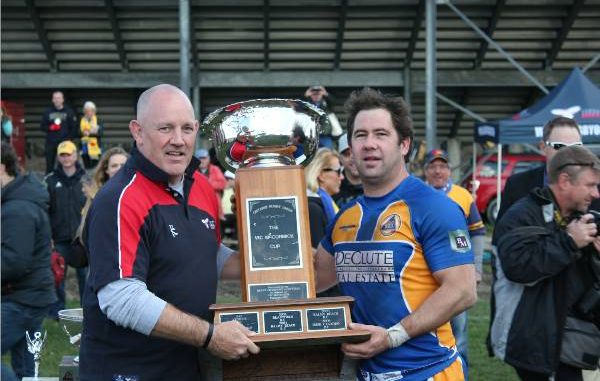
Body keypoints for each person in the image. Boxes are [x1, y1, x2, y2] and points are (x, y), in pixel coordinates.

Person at [80, 84, 259, 381]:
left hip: (186, 368)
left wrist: (274, 262)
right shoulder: (120, 198)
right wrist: (209, 335)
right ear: (138, 132)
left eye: (187, 129)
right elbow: (121, 297)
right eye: (165, 128)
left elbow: (204, 254)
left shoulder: (201, 187)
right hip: (128, 371)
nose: (178, 140)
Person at [314, 87, 477, 380]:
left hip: (428, 371)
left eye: (381, 134)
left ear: (404, 145)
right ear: (350, 148)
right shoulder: (345, 217)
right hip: (368, 373)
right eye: (360, 135)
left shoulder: (433, 206)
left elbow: (462, 290)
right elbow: (315, 277)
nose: (369, 144)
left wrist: (393, 337)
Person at [490, 145, 600, 381]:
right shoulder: (522, 215)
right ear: (564, 181)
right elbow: (518, 267)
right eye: (590, 185)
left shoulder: (574, 215)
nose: (596, 194)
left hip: (568, 338)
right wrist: (570, 241)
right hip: (535, 341)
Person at [423, 148, 486, 366]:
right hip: (425, 277)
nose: (438, 171)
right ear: (425, 170)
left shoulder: (463, 195)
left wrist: (477, 267)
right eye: (433, 166)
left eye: (443, 166)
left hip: (457, 275)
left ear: (449, 170)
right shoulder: (417, 194)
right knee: (425, 334)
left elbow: (477, 231)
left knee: (459, 335)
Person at [1, 142, 56, 381]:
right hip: (29, 297)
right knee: (26, 371)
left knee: (25, 368)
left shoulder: (18, 207)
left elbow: (14, 260)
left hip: (22, 300)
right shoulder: (18, 199)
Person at [496, 116, 583, 222]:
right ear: (543, 147)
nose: (569, 152)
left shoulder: (594, 189)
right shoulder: (517, 185)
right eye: (559, 146)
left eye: (576, 146)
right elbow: (502, 235)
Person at [45, 140, 87, 314]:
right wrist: (48, 236)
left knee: (85, 277)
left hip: (82, 239)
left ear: (75, 155)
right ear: (58, 157)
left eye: (69, 154)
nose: (66, 157)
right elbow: (44, 210)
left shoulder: (87, 179)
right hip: (59, 238)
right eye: (62, 154)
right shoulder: (50, 180)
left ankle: (88, 311)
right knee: (57, 276)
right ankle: (57, 313)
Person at [305, 147, 344, 297]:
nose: (342, 177)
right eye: (338, 171)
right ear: (321, 174)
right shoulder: (312, 209)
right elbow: (318, 264)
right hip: (324, 295)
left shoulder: (326, 204)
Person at [40, 91, 77, 173]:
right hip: (51, 143)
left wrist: (69, 140)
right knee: (49, 165)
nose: (57, 100)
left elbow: (74, 128)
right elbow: (42, 126)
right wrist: (50, 127)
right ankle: (49, 182)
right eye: (55, 98)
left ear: (62, 99)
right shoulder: (48, 112)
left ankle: (63, 181)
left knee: (64, 164)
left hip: (64, 143)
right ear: (52, 100)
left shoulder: (69, 111)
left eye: (59, 98)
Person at [332, 132, 363, 208]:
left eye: (357, 153)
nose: (352, 158)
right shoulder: (333, 184)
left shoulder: (378, 183)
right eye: (347, 154)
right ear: (340, 158)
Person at [79, 101, 103, 169]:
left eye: (91, 111)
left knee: (95, 165)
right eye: (87, 111)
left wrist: (91, 133)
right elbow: (77, 132)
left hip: (95, 147)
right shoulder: (81, 120)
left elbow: (101, 133)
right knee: (86, 165)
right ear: (84, 111)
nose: (89, 113)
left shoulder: (98, 120)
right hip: (84, 147)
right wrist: (83, 133)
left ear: (94, 111)